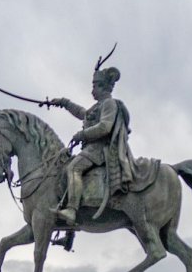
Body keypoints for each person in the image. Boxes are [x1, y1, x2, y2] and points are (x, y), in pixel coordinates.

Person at [51, 66, 135, 226]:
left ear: (103, 87)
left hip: (99, 150)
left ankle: (71, 210)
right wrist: (64, 103)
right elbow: (82, 113)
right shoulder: (98, 106)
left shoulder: (109, 104)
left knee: (73, 169)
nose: (92, 90)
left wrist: (82, 134)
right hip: (91, 149)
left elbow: (105, 127)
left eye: (95, 86)